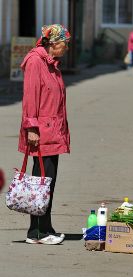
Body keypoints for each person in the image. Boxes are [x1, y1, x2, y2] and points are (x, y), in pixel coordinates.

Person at [18, 24, 71, 245]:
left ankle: (45, 227)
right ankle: (37, 232)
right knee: (41, 181)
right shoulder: (35, 62)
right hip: (40, 133)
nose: (67, 48)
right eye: (65, 44)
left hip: (53, 131)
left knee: (47, 182)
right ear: (53, 43)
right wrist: (31, 128)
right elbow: (30, 97)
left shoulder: (51, 64)